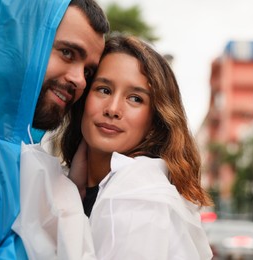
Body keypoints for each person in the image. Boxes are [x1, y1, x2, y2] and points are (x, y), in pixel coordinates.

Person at [58, 34, 213, 259]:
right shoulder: (66, 184)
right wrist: (72, 196)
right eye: (104, 89)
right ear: (84, 98)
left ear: (155, 122)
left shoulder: (141, 197)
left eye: (135, 98)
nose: (113, 108)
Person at [0, 0, 109, 258]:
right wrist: (60, 205)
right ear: (18, 39)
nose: (80, 81)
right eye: (68, 53)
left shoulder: (18, 149)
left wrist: (67, 190)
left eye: (88, 71)